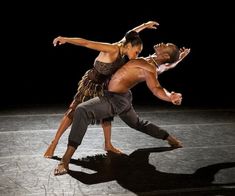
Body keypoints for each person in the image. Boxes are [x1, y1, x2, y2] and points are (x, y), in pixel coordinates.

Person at [54, 42, 184, 176]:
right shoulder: (152, 61)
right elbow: (164, 67)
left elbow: (156, 89)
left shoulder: (150, 68)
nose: (162, 43)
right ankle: (169, 138)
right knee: (137, 123)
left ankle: (65, 160)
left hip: (115, 100)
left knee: (82, 110)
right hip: (122, 97)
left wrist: (170, 97)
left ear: (165, 55)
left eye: (166, 45)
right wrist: (178, 60)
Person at [44, 21, 159, 158]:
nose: (138, 55)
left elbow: (132, 32)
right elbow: (86, 43)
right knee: (72, 113)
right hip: (92, 84)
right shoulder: (112, 49)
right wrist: (65, 39)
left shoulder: (125, 46)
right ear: (129, 46)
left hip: (105, 86)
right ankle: (54, 143)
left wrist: (145, 25)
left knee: (107, 116)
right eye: (137, 51)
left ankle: (108, 144)